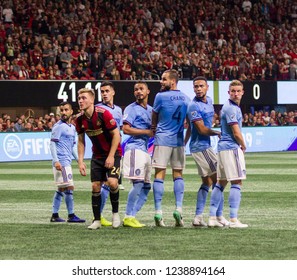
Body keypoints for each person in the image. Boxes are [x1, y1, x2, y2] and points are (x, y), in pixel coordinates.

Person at [185, 76, 229, 227]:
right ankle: (218, 216)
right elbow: (201, 129)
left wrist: (184, 142)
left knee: (207, 182)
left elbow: (192, 126)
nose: (198, 89)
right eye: (196, 86)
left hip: (204, 146)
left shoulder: (209, 101)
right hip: (200, 147)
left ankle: (198, 217)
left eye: (201, 86)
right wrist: (217, 133)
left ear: (207, 87)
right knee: (219, 180)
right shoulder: (193, 106)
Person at [76, 88, 122, 230]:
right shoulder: (79, 120)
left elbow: (116, 135)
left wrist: (110, 156)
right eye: (79, 98)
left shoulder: (104, 114)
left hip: (113, 153)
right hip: (97, 156)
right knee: (95, 186)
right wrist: (80, 160)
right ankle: (97, 220)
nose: (80, 101)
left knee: (113, 183)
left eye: (83, 98)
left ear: (91, 100)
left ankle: (115, 214)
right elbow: (81, 141)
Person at [151, 69, 190, 227]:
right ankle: (178, 209)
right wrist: (184, 141)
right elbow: (191, 123)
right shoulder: (187, 99)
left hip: (162, 139)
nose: (161, 82)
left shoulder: (160, 96)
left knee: (159, 174)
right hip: (178, 140)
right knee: (178, 174)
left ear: (172, 81)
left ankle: (158, 212)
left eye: (164, 79)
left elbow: (154, 117)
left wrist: (154, 128)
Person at [208, 80, 248, 228]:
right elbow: (236, 132)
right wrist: (243, 145)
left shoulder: (229, 107)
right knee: (237, 181)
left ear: (242, 92)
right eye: (233, 91)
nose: (236, 93)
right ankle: (233, 219)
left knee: (221, 182)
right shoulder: (232, 109)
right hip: (231, 148)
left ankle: (212, 218)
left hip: (222, 148)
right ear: (229, 92)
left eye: (238, 91)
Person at [122, 81, 153, 228]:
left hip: (145, 150)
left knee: (147, 186)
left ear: (148, 91)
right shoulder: (131, 109)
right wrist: (147, 132)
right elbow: (126, 129)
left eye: (141, 89)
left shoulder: (151, 110)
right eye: (136, 89)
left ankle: (132, 215)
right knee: (138, 183)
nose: (138, 91)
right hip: (135, 149)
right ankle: (128, 216)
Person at [49, 101, 85, 223]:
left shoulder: (72, 127)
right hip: (62, 162)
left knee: (61, 189)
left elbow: (72, 146)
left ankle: (55, 215)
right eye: (62, 110)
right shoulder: (58, 126)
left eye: (66, 110)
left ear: (71, 112)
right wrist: (56, 161)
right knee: (69, 187)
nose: (63, 112)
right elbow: (52, 143)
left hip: (67, 162)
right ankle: (71, 215)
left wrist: (79, 160)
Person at [95, 81, 123, 227]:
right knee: (99, 184)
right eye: (102, 91)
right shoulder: (97, 109)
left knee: (111, 182)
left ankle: (107, 214)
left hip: (116, 150)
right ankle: (98, 215)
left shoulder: (118, 110)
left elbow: (119, 130)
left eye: (107, 91)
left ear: (113, 92)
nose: (104, 94)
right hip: (102, 151)